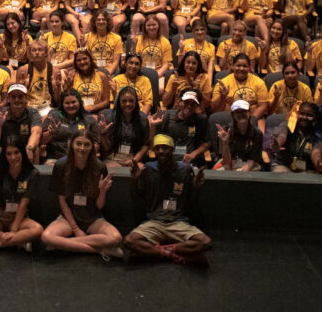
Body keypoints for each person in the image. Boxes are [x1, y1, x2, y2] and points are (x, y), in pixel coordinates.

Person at [125, 133, 212, 266]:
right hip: (154, 222)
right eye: (158, 148)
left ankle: (157, 252)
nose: (161, 151)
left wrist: (197, 188)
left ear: (172, 150)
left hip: (178, 222)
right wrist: (135, 180)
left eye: (165, 147)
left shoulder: (185, 170)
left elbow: (192, 201)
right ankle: (173, 254)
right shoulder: (148, 169)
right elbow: (136, 197)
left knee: (205, 242)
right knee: (129, 241)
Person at [40, 129, 122, 258]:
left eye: (86, 144)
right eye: (78, 143)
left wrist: (102, 192)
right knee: (46, 237)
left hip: (92, 218)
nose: (82, 148)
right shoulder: (61, 165)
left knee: (116, 238)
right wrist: (76, 229)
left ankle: (62, 244)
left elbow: (99, 206)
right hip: (68, 218)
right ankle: (100, 250)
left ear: (92, 147)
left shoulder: (99, 167)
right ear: (72, 144)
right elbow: (62, 200)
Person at [214, 100, 263, 171]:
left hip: (249, 164)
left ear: (249, 112)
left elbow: (252, 160)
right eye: (237, 112)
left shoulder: (257, 133)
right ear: (233, 115)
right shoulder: (226, 131)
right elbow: (226, 160)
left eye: (244, 111)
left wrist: (239, 176)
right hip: (230, 162)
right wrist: (225, 143)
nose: (241, 114)